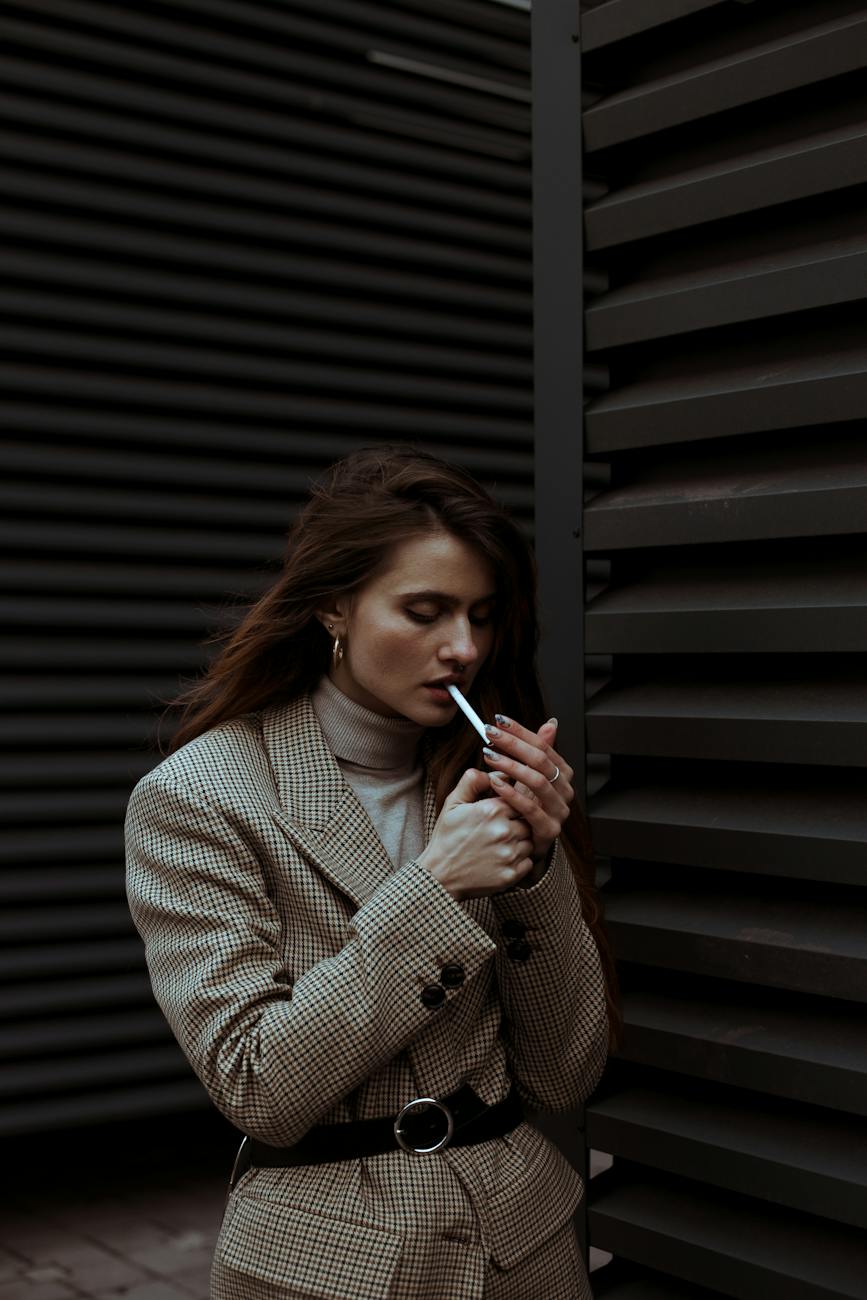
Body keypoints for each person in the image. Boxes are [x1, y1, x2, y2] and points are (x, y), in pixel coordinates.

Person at [124, 445, 619, 1300]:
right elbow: (257, 1086)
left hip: (524, 1248)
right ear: (333, 610)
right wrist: (436, 889)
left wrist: (537, 871)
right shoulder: (200, 796)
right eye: (423, 611)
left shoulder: (482, 778)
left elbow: (562, 1076)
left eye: (482, 614)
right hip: (328, 1264)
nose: (462, 647)